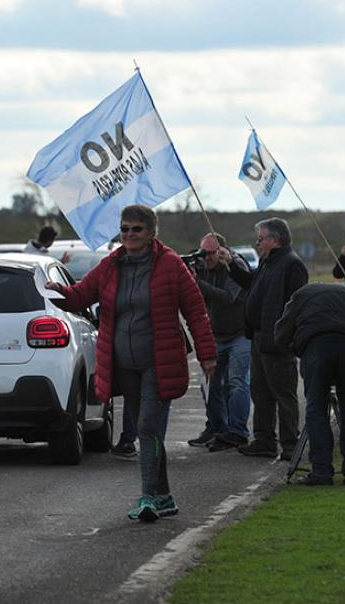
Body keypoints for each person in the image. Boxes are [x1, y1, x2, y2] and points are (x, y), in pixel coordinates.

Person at [45, 204, 217, 522]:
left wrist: (207, 354)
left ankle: (149, 497)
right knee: (145, 432)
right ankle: (164, 496)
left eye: (136, 229)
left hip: (159, 361)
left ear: (151, 232)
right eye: (124, 229)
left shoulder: (170, 265)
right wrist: (61, 293)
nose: (128, 235)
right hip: (124, 364)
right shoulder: (111, 265)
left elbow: (195, 310)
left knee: (148, 428)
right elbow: (82, 296)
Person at [221, 217, 308, 461]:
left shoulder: (292, 265)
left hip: (278, 342)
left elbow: (295, 305)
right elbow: (252, 284)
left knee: (283, 395)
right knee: (260, 393)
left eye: (261, 238)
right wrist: (231, 264)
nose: (258, 243)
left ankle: (290, 445)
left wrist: (285, 337)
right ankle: (264, 441)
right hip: (259, 338)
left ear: (275, 240)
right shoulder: (268, 262)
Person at [275, 283, 345, 486]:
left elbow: (282, 331)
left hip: (317, 348)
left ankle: (321, 470)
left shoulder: (300, 295)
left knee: (316, 408)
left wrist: (292, 348)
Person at [186, 233, 251, 453]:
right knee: (210, 385)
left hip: (240, 332)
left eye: (210, 253)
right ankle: (217, 428)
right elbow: (199, 300)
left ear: (222, 250)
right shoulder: (203, 267)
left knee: (236, 381)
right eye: (202, 253)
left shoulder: (234, 264)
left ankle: (238, 431)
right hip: (217, 333)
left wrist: (199, 284)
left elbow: (228, 297)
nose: (206, 258)